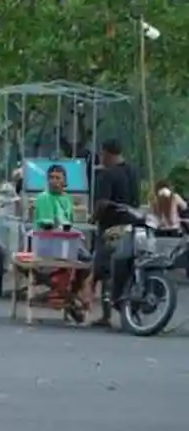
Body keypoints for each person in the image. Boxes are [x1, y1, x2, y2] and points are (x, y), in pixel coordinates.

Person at [87, 139, 141, 327]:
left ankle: (106, 315)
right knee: (126, 270)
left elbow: (102, 203)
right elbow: (136, 201)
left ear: (107, 153)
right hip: (131, 228)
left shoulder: (106, 174)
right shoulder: (132, 172)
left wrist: (93, 218)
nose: (100, 158)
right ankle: (131, 313)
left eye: (101, 154)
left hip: (110, 229)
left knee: (104, 271)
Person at [33, 164, 74, 231]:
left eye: (57, 178)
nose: (53, 181)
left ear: (64, 181)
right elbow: (47, 225)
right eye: (51, 177)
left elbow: (70, 221)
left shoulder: (68, 198)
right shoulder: (43, 198)